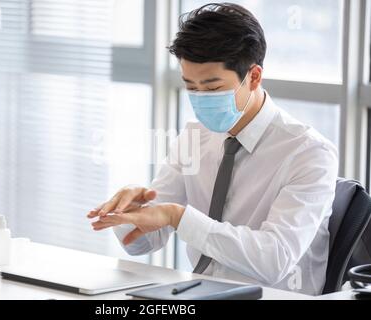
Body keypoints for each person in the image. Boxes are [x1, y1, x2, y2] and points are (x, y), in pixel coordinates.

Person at [87, 2, 338, 295]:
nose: (199, 98)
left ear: (253, 77)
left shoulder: (309, 153)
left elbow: (275, 259)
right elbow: (142, 243)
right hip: (196, 294)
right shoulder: (196, 137)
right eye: (190, 87)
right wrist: (130, 213)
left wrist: (179, 217)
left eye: (212, 88)